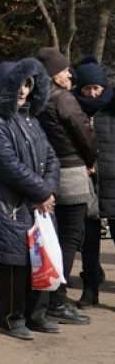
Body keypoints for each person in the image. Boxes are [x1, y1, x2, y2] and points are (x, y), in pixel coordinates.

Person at [0, 58, 60, 340]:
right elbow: (6, 163)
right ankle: (11, 318)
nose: (23, 90)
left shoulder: (31, 119)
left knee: (41, 260)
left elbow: (52, 158)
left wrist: (49, 190)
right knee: (14, 265)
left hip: (36, 205)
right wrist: (42, 191)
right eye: (18, 84)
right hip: (9, 206)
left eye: (28, 84)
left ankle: (36, 314)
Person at [36, 47, 96, 325]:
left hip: (47, 172)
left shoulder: (38, 100)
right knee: (70, 238)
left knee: (52, 237)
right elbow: (82, 131)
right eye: (63, 70)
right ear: (53, 74)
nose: (68, 74)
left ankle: (45, 298)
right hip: (70, 170)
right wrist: (91, 158)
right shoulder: (63, 99)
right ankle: (58, 302)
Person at [75, 57, 115, 307]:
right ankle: (90, 288)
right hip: (86, 182)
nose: (91, 94)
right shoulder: (74, 109)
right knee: (88, 241)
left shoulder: (112, 108)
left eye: (96, 88)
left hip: (113, 181)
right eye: (86, 89)